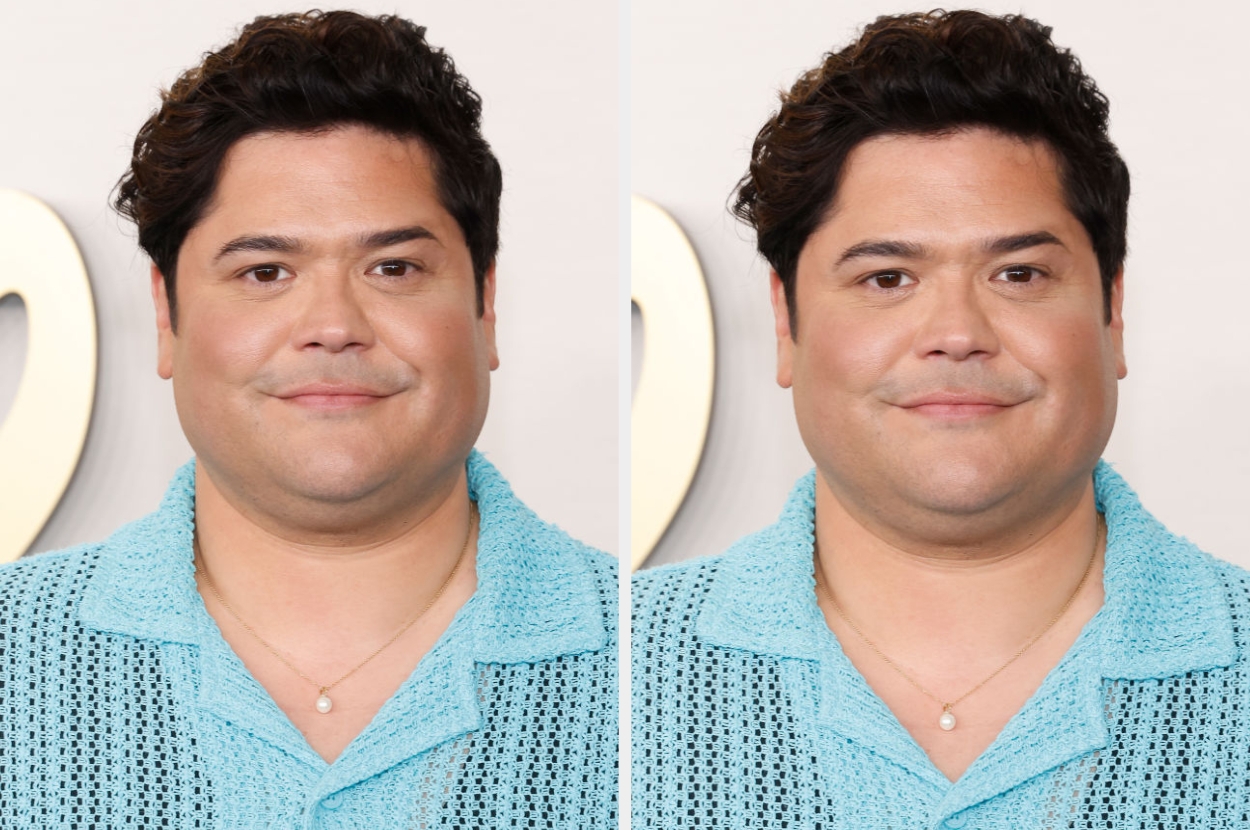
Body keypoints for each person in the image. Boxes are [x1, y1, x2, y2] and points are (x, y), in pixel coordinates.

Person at [633, 10, 1250, 827]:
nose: (958, 333)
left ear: (1113, 312)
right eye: (887, 279)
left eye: (1019, 274)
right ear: (786, 324)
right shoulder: (618, 672)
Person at [0, 11, 615, 826]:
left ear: (485, 305)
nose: (333, 324)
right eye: (265, 272)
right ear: (167, 316)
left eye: (393, 267)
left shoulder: (648, 654)